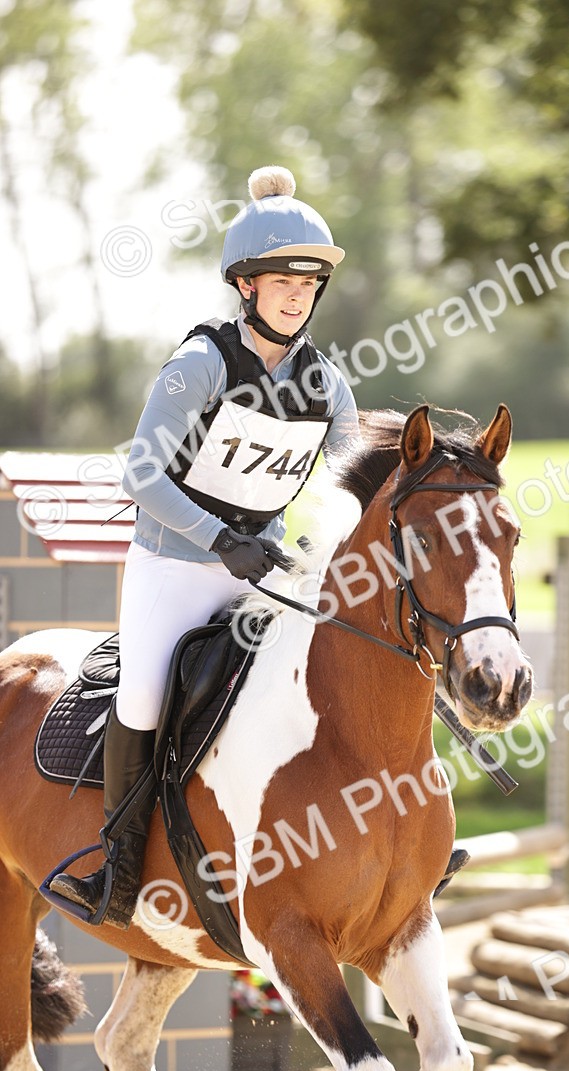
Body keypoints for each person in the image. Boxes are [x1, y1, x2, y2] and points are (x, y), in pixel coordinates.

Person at [50, 165, 359, 929]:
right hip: (176, 565)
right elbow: (141, 474)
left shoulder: (327, 385)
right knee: (143, 694)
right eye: (282, 281)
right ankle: (117, 867)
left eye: (308, 283)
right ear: (246, 285)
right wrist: (221, 539)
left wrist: (323, 545)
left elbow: (348, 483)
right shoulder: (201, 364)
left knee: (335, 673)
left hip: (263, 572)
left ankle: (381, 839)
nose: (297, 296)